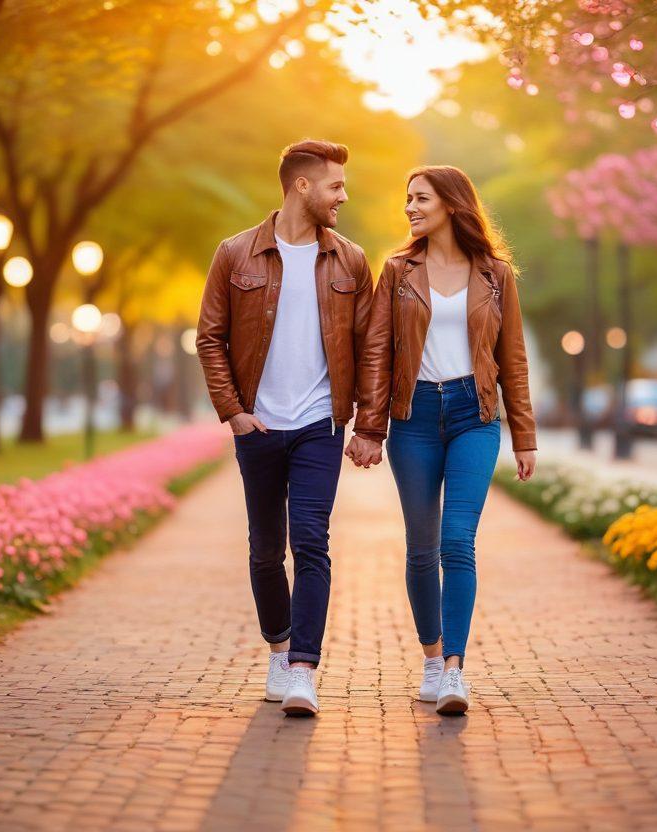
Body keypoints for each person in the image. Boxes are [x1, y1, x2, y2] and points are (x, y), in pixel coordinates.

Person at [347, 165, 537, 715]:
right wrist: (370, 427)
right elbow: (377, 351)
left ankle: (454, 669)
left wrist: (523, 435)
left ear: (452, 204)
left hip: (473, 415)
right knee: (421, 545)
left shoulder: (496, 275)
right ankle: (430, 659)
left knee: (458, 540)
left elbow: (513, 360)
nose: (409, 207)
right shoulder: (398, 270)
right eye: (407, 198)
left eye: (420, 198)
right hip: (414, 416)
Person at [195, 139, 373, 717]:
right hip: (260, 427)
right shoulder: (235, 253)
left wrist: (367, 423)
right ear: (303, 185)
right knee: (266, 549)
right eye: (335, 186)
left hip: (320, 423)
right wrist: (234, 412)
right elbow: (210, 337)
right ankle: (277, 646)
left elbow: (371, 346)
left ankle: (302, 668)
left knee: (312, 541)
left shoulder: (350, 260)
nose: (343, 196)